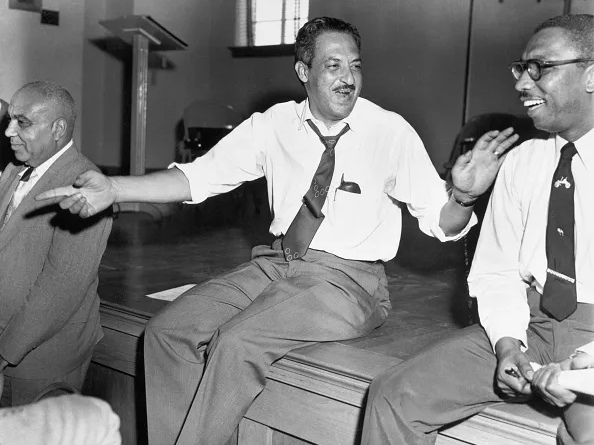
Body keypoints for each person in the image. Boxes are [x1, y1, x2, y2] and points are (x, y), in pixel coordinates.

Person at [36, 17, 517, 445]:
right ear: (304, 72)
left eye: (355, 65)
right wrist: (113, 188)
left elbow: (442, 223)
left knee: (237, 343)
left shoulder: (389, 131)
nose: (348, 78)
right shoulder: (272, 126)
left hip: (349, 283)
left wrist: (464, 196)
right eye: (333, 66)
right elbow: (196, 177)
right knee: (166, 332)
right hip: (276, 263)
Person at [361, 14, 594, 445]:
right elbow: (497, 271)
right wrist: (508, 345)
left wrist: (583, 362)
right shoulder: (523, 162)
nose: (523, 84)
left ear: (591, 74)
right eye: (520, 69)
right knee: (394, 395)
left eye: (539, 68)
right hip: (533, 326)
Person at [0, 81, 113, 407]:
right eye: (10, 119)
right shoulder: (14, 170)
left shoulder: (84, 184)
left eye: (22, 122)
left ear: (58, 129)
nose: (8, 130)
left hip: (39, 357)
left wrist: (4, 353)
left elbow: (61, 287)